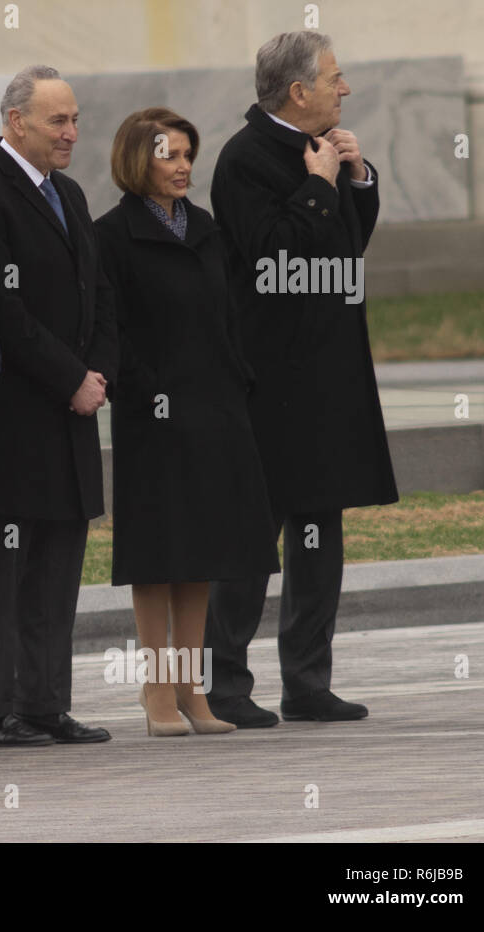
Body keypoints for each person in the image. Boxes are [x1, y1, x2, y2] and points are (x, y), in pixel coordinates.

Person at [206, 31, 397, 727]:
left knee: (322, 530)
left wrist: (356, 181)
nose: (344, 90)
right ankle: (225, 683)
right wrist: (319, 187)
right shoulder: (245, 158)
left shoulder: (324, 147)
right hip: (272, 378)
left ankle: (308, 681)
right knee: (252, 535)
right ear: (298, 91)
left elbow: (345, 244)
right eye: (335, 79)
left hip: (330, 374)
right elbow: (273, 254)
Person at [0, 66, 118, 747]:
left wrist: (99, 372)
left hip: (71, 417)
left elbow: (99, 295)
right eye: (58, 121)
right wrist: (70, 377)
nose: (71, 132)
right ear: (15, 121)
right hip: (15, 422)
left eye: (74, 119)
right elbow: (0, 312)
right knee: (2, 574)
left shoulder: (69, 193)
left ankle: (43, 704)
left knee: (56, 571)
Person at [94, 108, 279, 736]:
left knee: (200, 553)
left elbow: (228, 318)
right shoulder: (112, 235)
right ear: (136, 160)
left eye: (186, 155)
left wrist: (236, 378)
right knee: (158, 557)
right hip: (154, 416)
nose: (182, 167)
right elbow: (111, 330)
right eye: (169, 154)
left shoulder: (204, 229)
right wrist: (146, 388)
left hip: (215, 409)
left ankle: (193, 691)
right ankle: (157, 693)